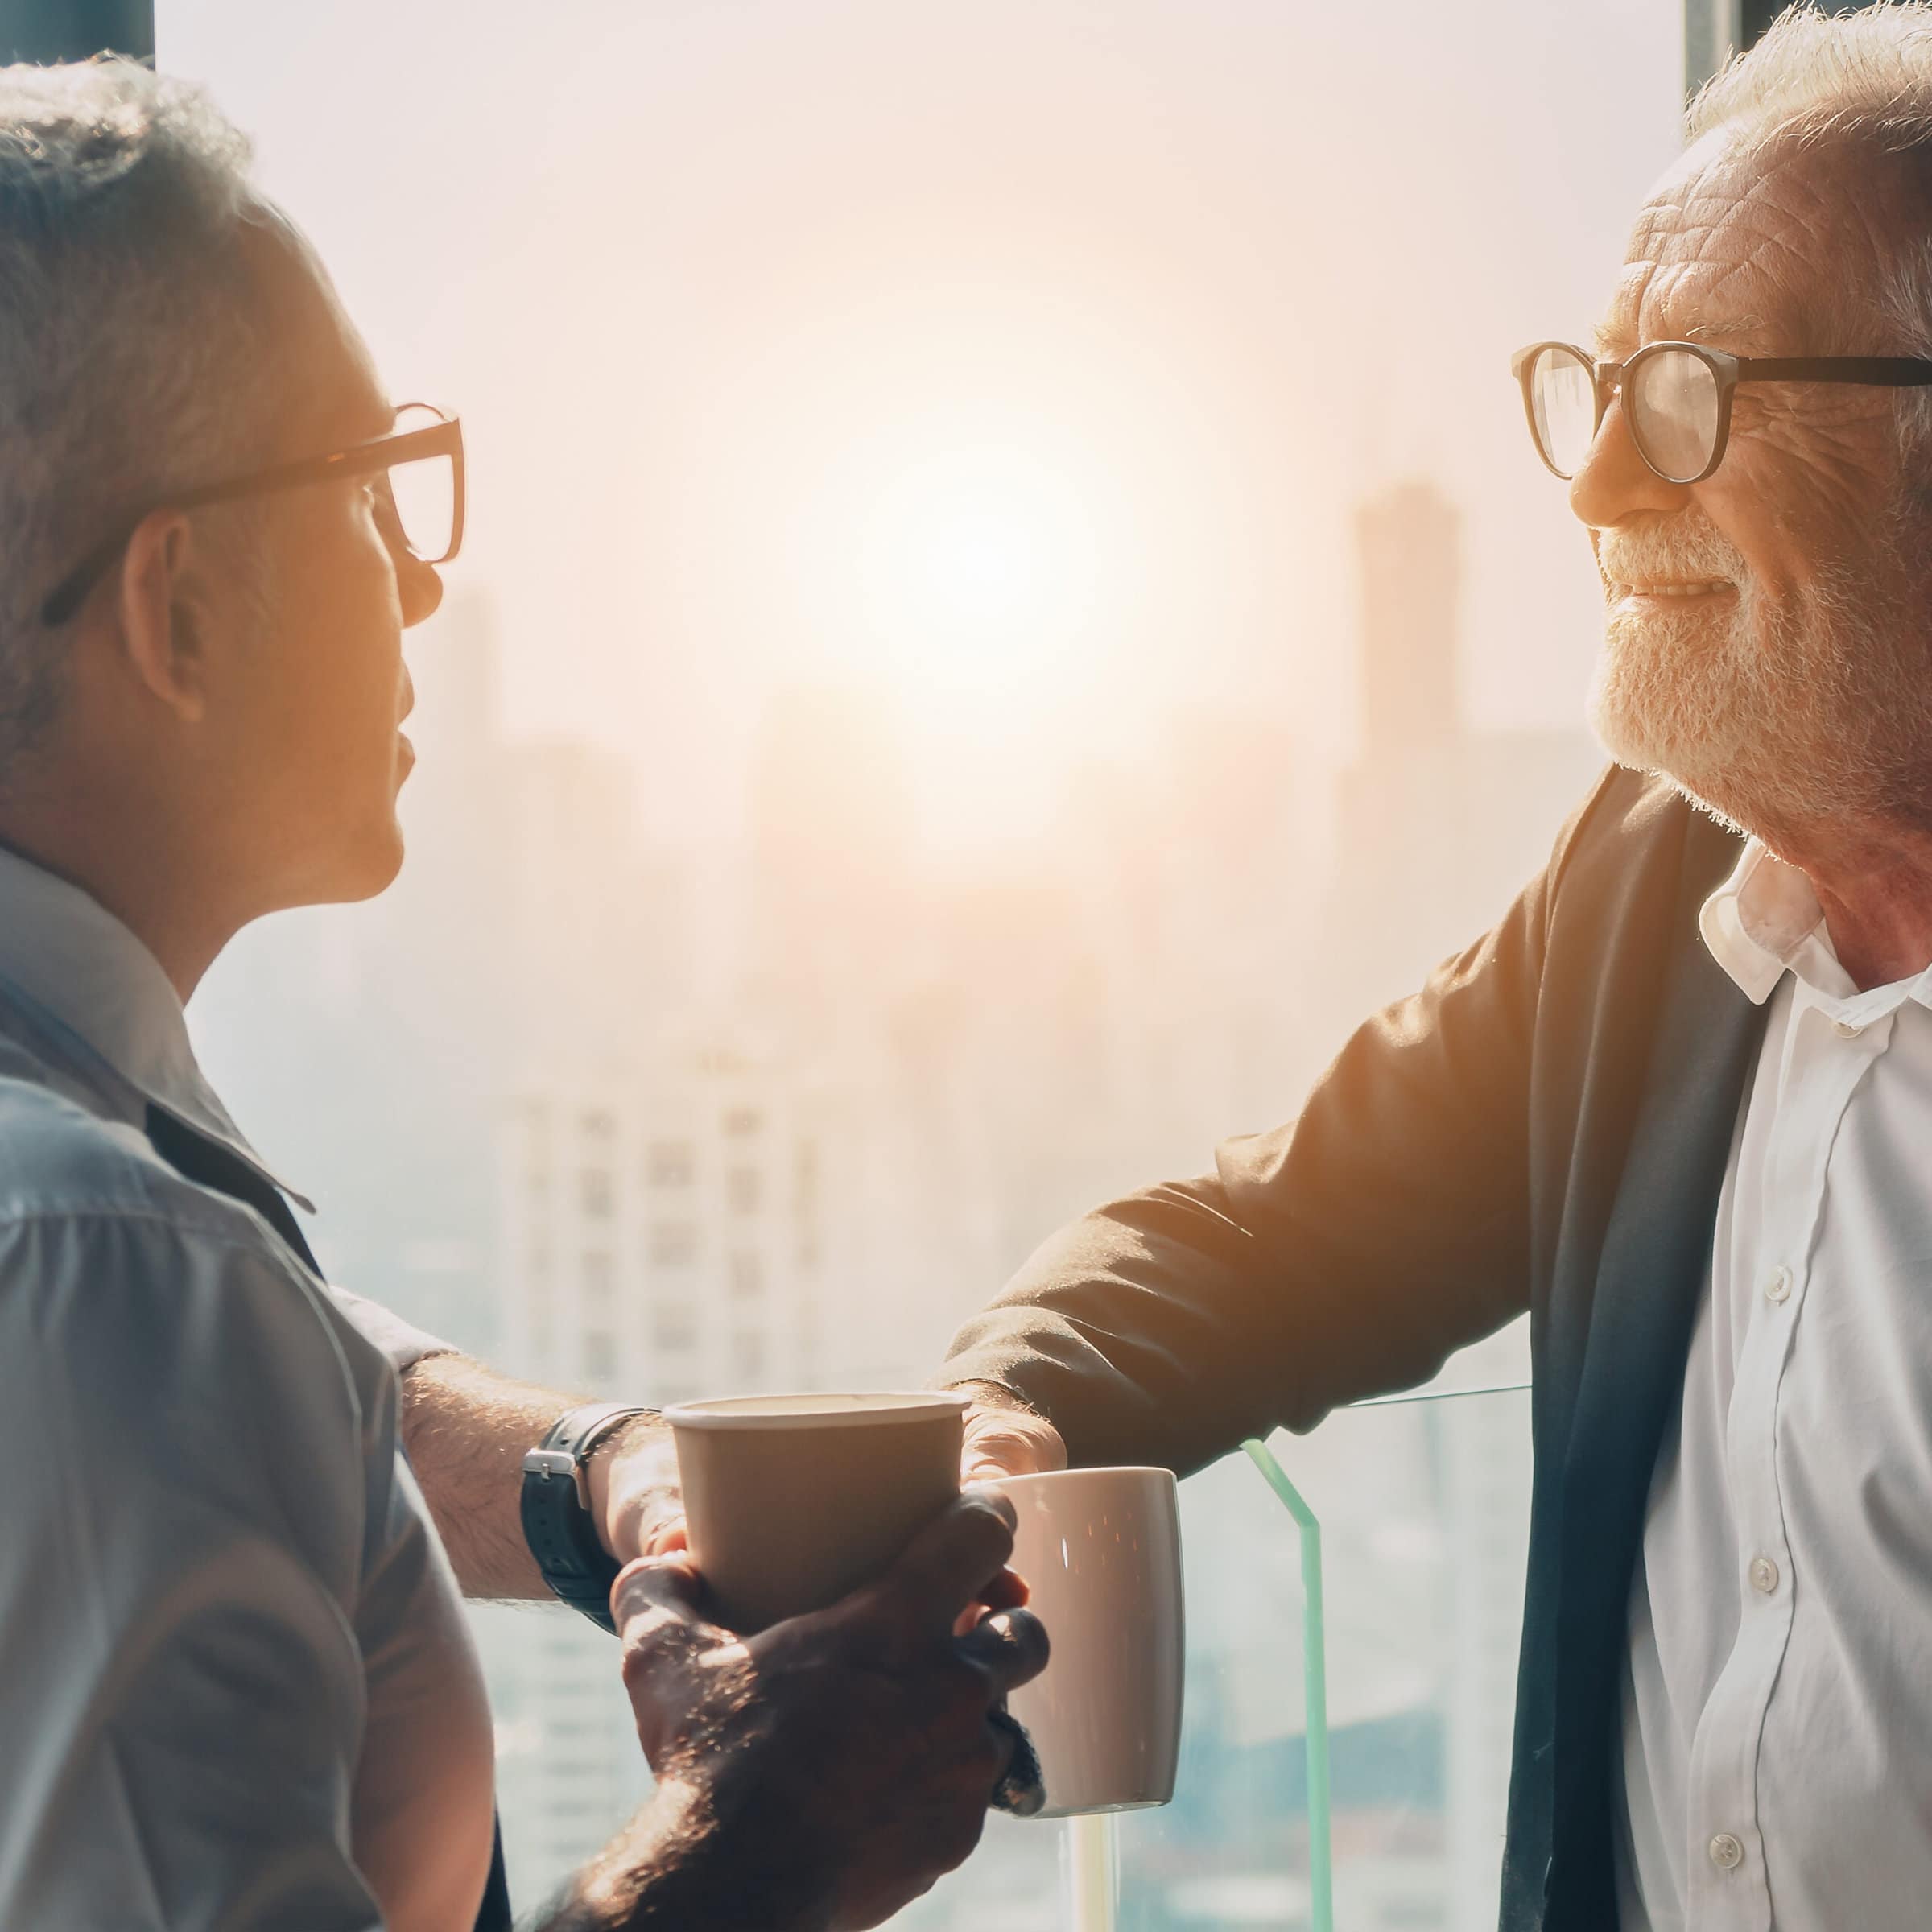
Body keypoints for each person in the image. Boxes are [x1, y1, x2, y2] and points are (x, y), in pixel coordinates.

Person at [0, 60, 1046, 1932]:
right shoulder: (109, 1266)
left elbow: (287, 1375)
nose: (422, 590)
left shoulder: (100, 1216)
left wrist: (602, 1479)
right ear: (180, 610)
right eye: (365, 494)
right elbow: (150, 1334)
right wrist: (748, 1847)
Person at [938, 7, 1932, 1930]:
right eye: (1595, 392)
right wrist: (1012, 1415)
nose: (1596, 494)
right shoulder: (1646, 890)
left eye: (1689, 400)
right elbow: (1279, 1234)